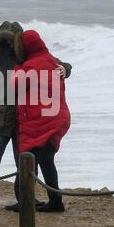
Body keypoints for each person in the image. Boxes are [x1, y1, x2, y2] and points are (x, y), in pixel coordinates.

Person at [0, 21, 72, 208]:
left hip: (23, 121)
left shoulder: (28, 57)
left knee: (24, 165)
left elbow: (57, 64)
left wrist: (65, 68)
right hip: (6, 119)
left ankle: (23, 200)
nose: (10, 45)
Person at [11, 30, 71, 212]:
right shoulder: (52, 60)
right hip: (56, 117)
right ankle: (52, 200)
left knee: (34, 161)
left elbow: (15, 85)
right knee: (43, 160)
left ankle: (52, 202)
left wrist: (17, 66)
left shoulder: (30, 66)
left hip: (43, 121)